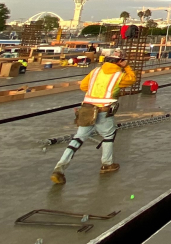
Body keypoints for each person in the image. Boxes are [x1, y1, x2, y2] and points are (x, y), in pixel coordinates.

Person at [51, 51, 137, 184]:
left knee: (78, 138)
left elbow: (83, 86)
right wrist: (127, 67)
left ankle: (59, 168)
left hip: (87, 109)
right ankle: (107, 164)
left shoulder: (96, 71)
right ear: (120, 61)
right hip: (104, 111)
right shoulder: (119, 75)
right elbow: (132, 79)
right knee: (109, 135)